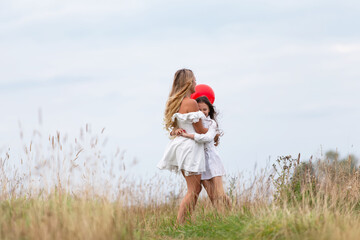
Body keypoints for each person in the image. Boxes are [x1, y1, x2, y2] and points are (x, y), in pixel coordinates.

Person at [157, 69, 208, 224]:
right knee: (193, 189)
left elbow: (173, 129)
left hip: (180, 147)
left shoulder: (175, 103)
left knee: (194, 189)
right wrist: (214, 131)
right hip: (190, 147)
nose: (196, 83)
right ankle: (180, 224)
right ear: (188, 83)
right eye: (194, 80)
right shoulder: (191, 103)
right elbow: (200, 130)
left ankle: (184, 223)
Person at [178, 96, 231, 210]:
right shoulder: (195, 124)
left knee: (219, 193)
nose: (202, 112)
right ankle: (221, 217)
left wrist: (188, 135)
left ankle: (231, 210)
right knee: (211, 195)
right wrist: (177, 131)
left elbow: (206, 138)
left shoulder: (212, 124)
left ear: (209, 110)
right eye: (199, 110)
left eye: (205, 109)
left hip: (212, 159)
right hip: (201, 161)